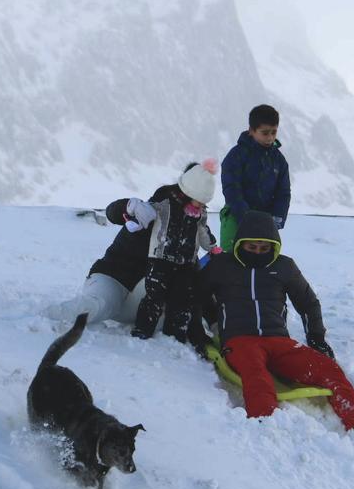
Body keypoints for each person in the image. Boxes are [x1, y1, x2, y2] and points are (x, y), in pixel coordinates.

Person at [192, 210, 354, 430]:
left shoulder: (284, 266)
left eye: (264, 248)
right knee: (256, 374)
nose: (257, 252)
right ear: (240, 243)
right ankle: (265, 422)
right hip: (240, 340)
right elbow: (196, 297)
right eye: (251, 247)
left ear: (273, 246)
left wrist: (316, 337)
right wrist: (199, 329)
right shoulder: (223, 265)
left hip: (278, 341)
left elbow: (308, 303)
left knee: (327, 368)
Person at [46, 174, 186, 326]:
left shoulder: (184, 235)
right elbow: (113, 213)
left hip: (138, 300)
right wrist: (129, 206)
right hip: (111, 279)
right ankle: (45, 319)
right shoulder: (145, 213)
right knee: (99, 305)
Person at [131, 160, 221, 341]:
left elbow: (203, 231)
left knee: (182, 299)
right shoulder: (165, 202)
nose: (202, 206)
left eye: (204, 203)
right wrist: (136, 213)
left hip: (186, 263)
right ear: (189, 192)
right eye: (200, 202)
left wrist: (211, 246)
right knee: (154, 296)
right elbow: (146, 211)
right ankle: (142, 329)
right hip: (160, 259)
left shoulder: (199, 214)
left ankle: (175, 333)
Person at [218, 104, 291, 252]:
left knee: (265, 257)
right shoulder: (236, 156)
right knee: (232, 256)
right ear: (252, 131)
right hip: (237, 215)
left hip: (266, 219)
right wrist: (245, 216)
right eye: (265, 133)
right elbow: (231, 188)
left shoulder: (279, 160)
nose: (270, 137)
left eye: (274, 132)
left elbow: (283, 192)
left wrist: (277, 217)